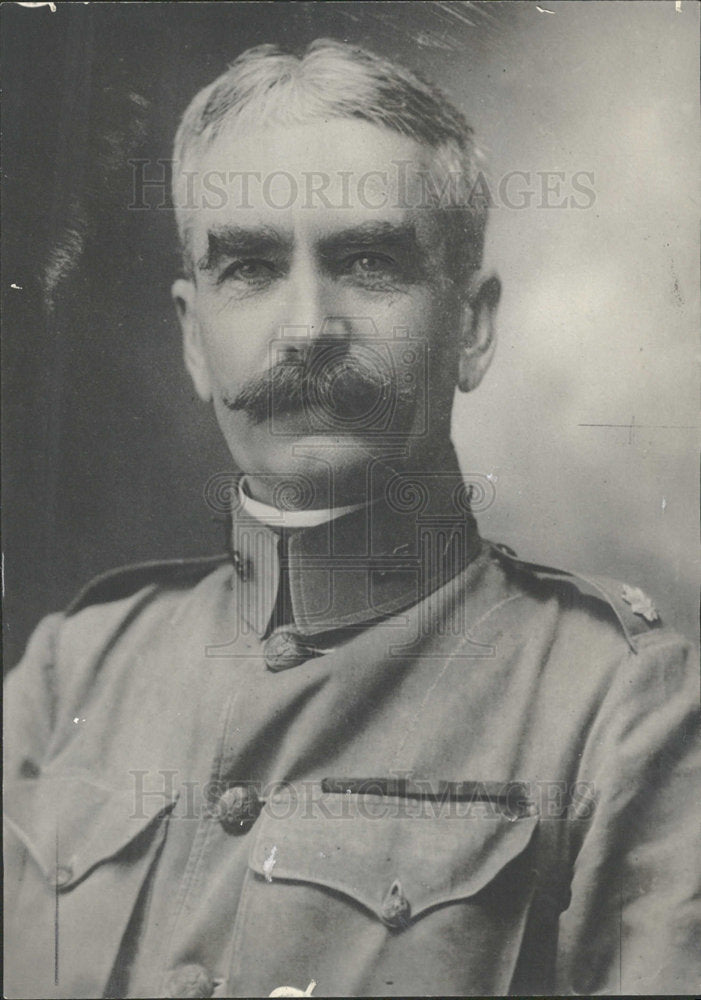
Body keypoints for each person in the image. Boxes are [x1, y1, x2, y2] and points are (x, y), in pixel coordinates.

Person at [4, 39, 699, 999]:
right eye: (247, 266)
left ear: (472, 326)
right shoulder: (69, 670)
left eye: (368, 262)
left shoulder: (621, 710)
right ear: (193, 337)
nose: (306, 327)